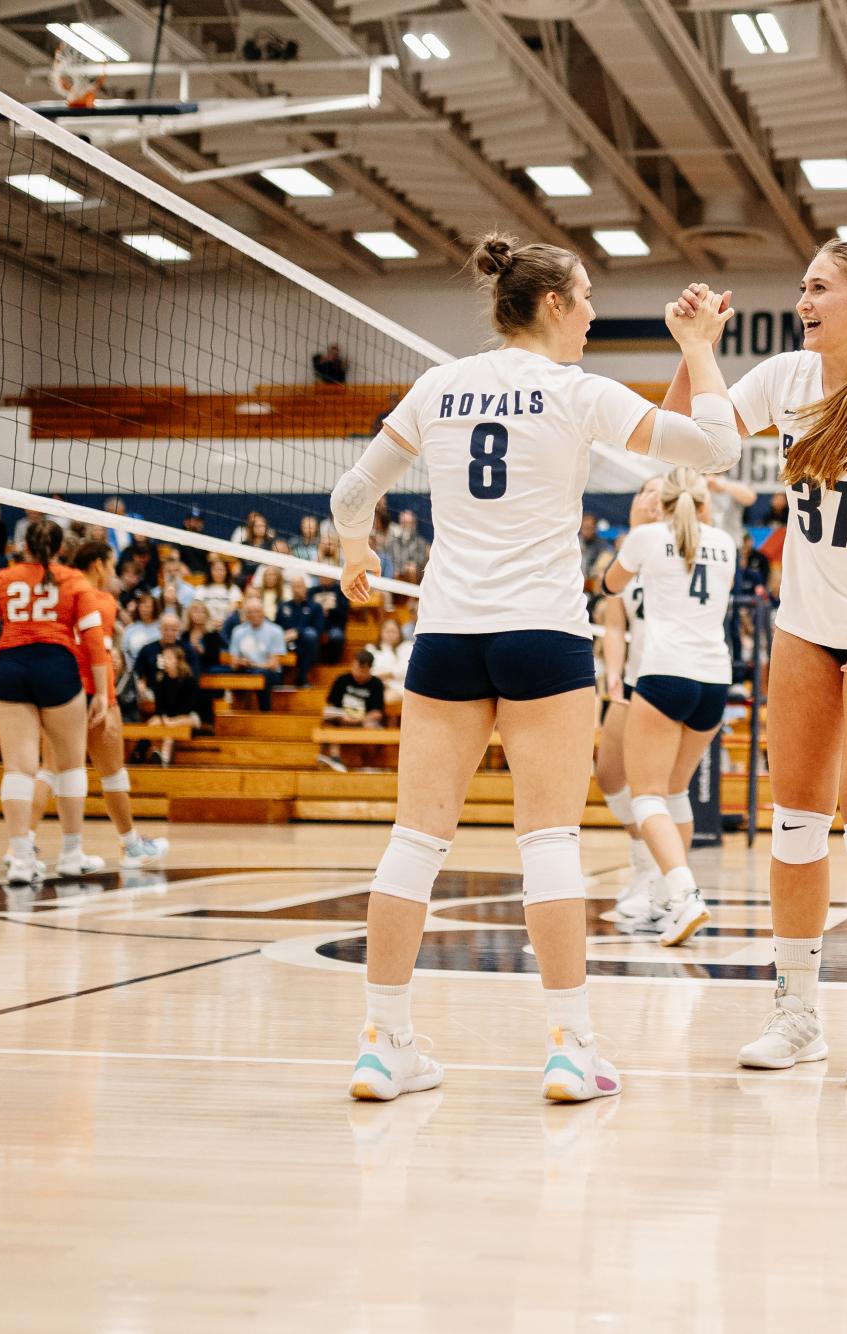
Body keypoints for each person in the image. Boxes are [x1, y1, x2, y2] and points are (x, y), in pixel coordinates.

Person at [328, 232, 738, 1104]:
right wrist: (699, 350)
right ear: (552, 304)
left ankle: (381, 1043)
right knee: (548, 842)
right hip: (542, 637)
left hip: (446, 634)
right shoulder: (576, 391)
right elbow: (715, 451)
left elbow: (349, 494)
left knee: (413, 842)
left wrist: (355, 553)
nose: (592, 312)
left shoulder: (439, 385)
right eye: (585, 296)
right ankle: (568, 1048)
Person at [666, 238, 847, 1089]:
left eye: (819, 287)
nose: (802, 298)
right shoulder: (786, 376)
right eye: (801, 285)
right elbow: (694, 445)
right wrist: (695, 351)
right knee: (795, 823)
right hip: (806, 621)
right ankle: (797, 1013)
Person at [600, 467, 737, 944]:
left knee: (647, 795)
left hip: (663, 674)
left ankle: (682, 893)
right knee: (675, 793)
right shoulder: (726, 542)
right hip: (715, 680)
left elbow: (609, 586)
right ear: (703, 502)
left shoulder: (645, 539)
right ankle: (665, 895)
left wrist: (631, 554)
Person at [0, 517, 110, 886]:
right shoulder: (74, 580)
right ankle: (72, 855)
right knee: (71, 764)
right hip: (56, 668)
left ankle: (21, 861)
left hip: (10, 668)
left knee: (19, 768)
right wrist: (102, 693)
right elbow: (94, 642)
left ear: (24, 546)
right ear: (62, 549)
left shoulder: (4, 578)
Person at [30, 541, 169, 870]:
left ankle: (23, 847)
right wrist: (104, 700)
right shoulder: (103, 601)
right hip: (95, 693)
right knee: (112, 773)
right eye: (109, 565)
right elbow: (98, 655)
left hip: (58, 692)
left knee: (50, 770)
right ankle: (131, 845)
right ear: (97, 565)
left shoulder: (58, 598)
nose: (112, 572)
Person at [594, 478, 668, 924]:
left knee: (651, 785)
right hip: (633, 678)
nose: (654, 499)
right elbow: (614, 623)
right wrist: (615, 674)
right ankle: (645, 858)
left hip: (670, 677)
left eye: (663, 493)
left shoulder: (681, 546)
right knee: (608, 774)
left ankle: (658, 878)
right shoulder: (621, 555)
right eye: (646, 491)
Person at [316, 649, 388, 772]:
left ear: (369, 669)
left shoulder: (376, 684)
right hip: (342, 719)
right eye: (356, 668)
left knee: (372, 725)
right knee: (328, 723)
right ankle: (334, 757)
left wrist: (358, 719)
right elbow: (330, 706)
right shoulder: (342, 680)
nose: (358, 673)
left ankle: (368, 763)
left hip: (363, 720)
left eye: (362, 670)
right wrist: (342, 717)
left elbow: (377, 713)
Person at [148, 645, 205, 765]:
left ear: (178, 661)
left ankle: (164, 759)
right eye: (164, 657)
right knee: (152, 723)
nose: (165, 660)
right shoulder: (161, 679)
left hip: (188, 716)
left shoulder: (189, 680)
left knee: (170, 730)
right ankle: (155, 752)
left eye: (169, 658)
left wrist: (171, 721)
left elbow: (188, 708)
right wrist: (163, 717)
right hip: (168, 716)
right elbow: (159, 707)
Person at [227, 598, 286, 710]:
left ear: (263, 612)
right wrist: (241, 662)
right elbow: (233, 663)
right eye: (250, 612)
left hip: (269, 673)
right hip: (246, 669)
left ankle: (265, 712)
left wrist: (253, 664)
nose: (254, 615)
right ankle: (235, 713)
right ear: (246, 615)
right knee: (223, 672)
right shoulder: (238, 631)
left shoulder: (276, 631)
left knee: (261, 675)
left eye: (257, 611)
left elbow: (273, 665)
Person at [277, 577, 325, 684]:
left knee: (310, 635)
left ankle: (302, 677)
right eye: (293, 586)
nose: (296, 589)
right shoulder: (284, 606)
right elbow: (277, 627)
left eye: (298, 586)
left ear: (305, 588)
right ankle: (277, 679)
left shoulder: (315, 607)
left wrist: (297, 633)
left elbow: (318, 629)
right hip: (286, 642)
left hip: (306, 644)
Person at [381, 511, 430, 583]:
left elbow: (418, 565)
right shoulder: (392, 543)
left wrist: (403, 571)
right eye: (403, 523)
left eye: (408, 523)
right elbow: (389, 562)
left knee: (411, 570)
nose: (405, 526)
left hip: (411, 579)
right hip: (393, 578)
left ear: (414, 524)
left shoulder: (421, 543)